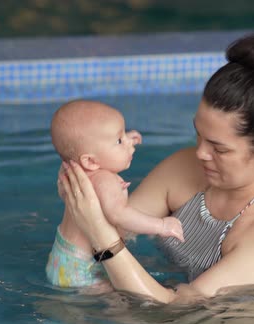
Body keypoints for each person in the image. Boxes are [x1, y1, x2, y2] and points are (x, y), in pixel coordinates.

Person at [58, 33, 254, 303]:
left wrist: (99, 235)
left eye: (219, 148)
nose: (201, 153)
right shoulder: (185, 167)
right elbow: (117, 228)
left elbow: (173, 310)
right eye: (198, 135)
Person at [47, 100, 184, 288]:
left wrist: (124, 139)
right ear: (90, 161)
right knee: (119, 301)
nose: (129, 143)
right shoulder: (104, 180)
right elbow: (119, 215)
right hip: (82, 271)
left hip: (62, 258)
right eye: (119, 141)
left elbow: (97, 144)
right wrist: (161, 225)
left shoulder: (71, 170)